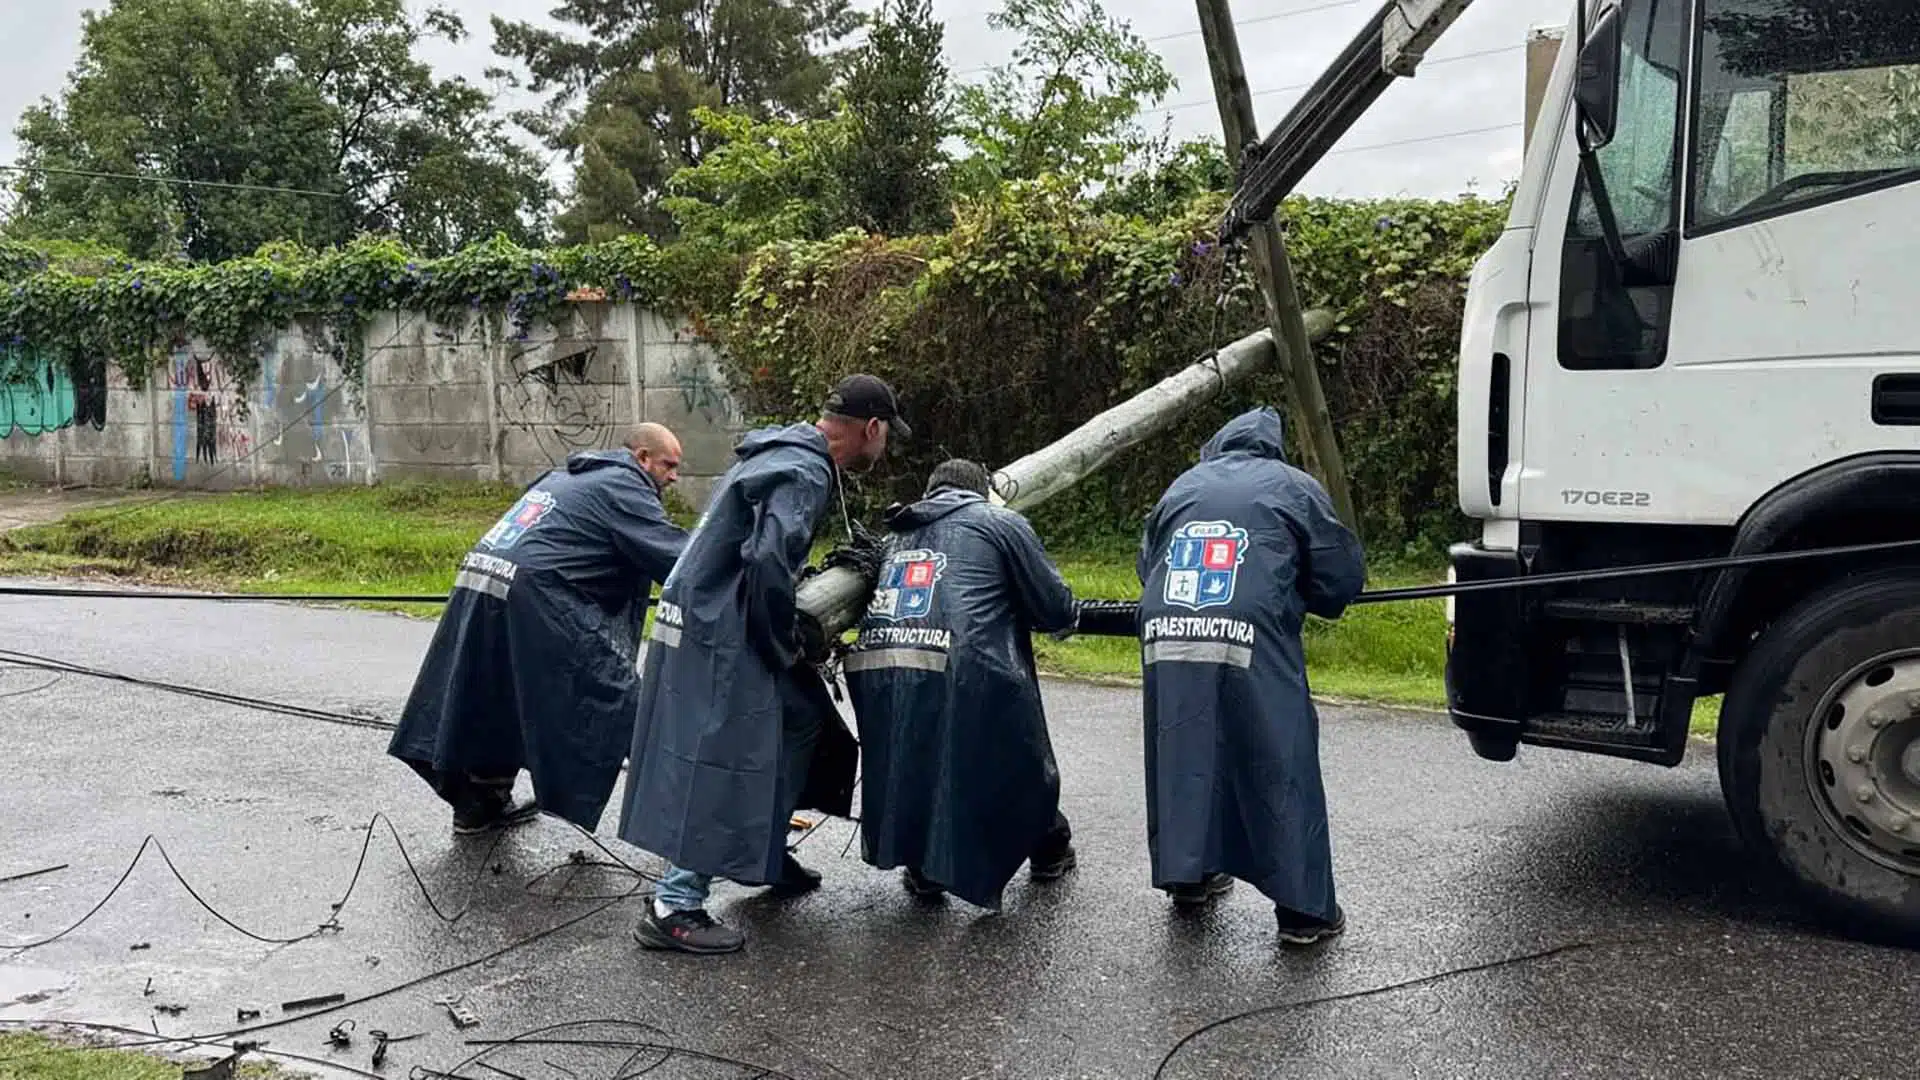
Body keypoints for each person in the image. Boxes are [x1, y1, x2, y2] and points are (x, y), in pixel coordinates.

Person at [620, 374, 907, 955]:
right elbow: (768, 561)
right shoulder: (803, 472)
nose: (884, 448)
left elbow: (756, 549)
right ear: (871, 429)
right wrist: (788, 643)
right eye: (886, 437)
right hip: (721, 628)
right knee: (722, 756)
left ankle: (763, 850)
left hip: (701, 611)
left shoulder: (782, 453)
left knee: (804, 722)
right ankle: (674, 904)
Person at [1135, 406, 1365, 945]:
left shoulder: (1183, 485)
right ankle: (1304, 911)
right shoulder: (1293, 485)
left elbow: (1149, 564)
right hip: (1250, 626)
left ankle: (1188, 878)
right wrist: (1308, 594)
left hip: (1167, 626)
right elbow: (1338, 573)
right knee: (1279, 753)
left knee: (1182, 748)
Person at [388, 424, 689, 835]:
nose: (674, 476)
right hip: (536, 594)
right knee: (618, 700)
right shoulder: (625, 485)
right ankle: (688, 820)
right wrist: (731, 575)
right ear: (642, 458)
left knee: (493, 693)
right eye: (669, 465)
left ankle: (478, 804)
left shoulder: (567, 475)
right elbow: (676, 559)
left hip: (482, 581)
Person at [844, 459, 1080, 911]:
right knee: (1016, 760)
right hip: (969, 663)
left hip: (880, 663)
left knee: (911, 757)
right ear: (983, 491)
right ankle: (1048, 846)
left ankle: (921, 864)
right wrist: (1063, 619)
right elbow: (1053, 606)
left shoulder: (895, 531)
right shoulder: (1000, 521)